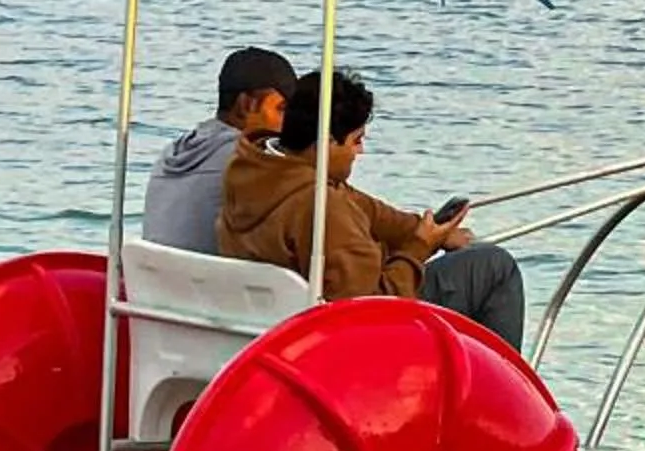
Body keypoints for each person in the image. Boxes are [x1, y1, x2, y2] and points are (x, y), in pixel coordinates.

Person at [216, 67, 526, 351]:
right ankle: (510, 398)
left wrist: (425, 230)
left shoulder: (255, 170)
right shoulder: (321, 207)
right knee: (494, 266)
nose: (360, 151)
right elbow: (371, 306)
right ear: (327, 143)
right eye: (356, 141)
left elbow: (367, 209)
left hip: (279, 332)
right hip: (351, 338)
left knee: (470, 257)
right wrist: (419, 247)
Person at [140, 45, 300, 252]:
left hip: (154, 279)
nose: (288, 123)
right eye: (282, 109)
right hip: (210, 281)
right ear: (246, 105)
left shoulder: (171, 154)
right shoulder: (250, 160)